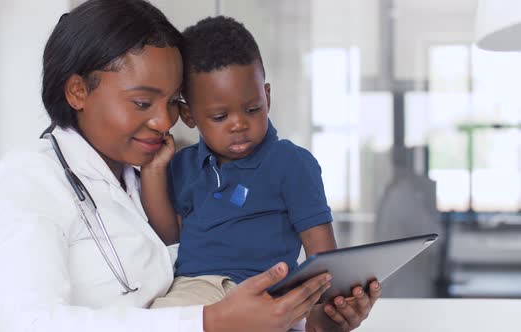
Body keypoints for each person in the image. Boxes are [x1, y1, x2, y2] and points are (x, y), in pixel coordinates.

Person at [0, 1, 334, 331]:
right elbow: (30, 325)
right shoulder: (25, 184)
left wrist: (310, 316)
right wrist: (209, 321)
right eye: (142, 103)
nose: (163, 121)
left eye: (171, 103)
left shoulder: (150, 177)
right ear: (78, 92)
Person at [142, 16, 380, 330]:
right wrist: (155, 171)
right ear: (189, 116)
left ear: (266, 96)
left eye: (252, 109)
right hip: (196, 289)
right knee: (156, 320)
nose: (239, 123)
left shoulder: (291, 163)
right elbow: (169, 237)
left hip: (268, 293)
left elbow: (320, 249)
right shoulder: (184, 165)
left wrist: (324, 309)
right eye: (220, 116)